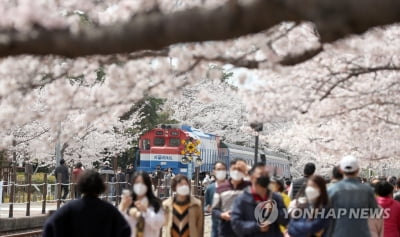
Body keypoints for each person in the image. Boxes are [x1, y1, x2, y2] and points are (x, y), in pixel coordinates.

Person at [43, 169, 131, 237]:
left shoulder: (68, 209)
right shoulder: (110, 210)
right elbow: (125, 231)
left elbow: (49, 227)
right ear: (101, 187)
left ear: (80, 185)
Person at [231, 163, 288, 237]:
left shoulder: (276, 197)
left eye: (266, 174)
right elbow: (236, 225)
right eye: (261, 174)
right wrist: (256, 226)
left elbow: (287, 220)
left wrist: (274, 212)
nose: (264, 177)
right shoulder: (241, 199)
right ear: (252, 177)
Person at [328, 155, 378, 237]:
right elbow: (374, 212)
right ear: (358, 170)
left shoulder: (332, 190)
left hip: (339, 233)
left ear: (341, 170)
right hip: (362, 233)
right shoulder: (368, 190)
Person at [119, 171, 164, 237]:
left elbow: (158, 223)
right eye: (137, 183)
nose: (140, 186)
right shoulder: (127, 202)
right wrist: (122, 208)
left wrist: (146, 211)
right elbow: (116, 225)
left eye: (143, 183)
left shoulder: (156, 204)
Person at [212, 158, 250, 237]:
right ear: (230, 169)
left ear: (244, 171)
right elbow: (214, 209)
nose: (237, 171)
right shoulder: (221, 188)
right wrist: (222, 215)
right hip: (226, 230)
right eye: (234, 168)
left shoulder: (250, 187)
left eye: (240, 169)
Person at [204, 161, 227, 237]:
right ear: (214, 171)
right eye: (218, 169)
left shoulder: (232, 187)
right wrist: (208, 208)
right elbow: (206, 205)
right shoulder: (210, 188)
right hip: (215, 229)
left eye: (223, 169)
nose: (221, 171)